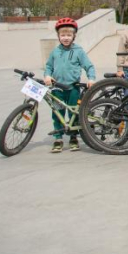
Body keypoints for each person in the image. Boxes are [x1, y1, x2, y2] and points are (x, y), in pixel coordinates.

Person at [44, 18, 96, 153]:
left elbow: (89, 66)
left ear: (74, 36)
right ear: (58, 36)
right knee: (57, 113)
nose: (65, 38)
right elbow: (48, 66)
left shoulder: (79, 51)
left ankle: (73, 137)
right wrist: (47, 76)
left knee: (74, 113)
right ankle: (58, 138)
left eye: (68, 35)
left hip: (73, 88)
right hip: (57, 89)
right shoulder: (55, 52)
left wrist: (91, 78)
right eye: (63, 35)